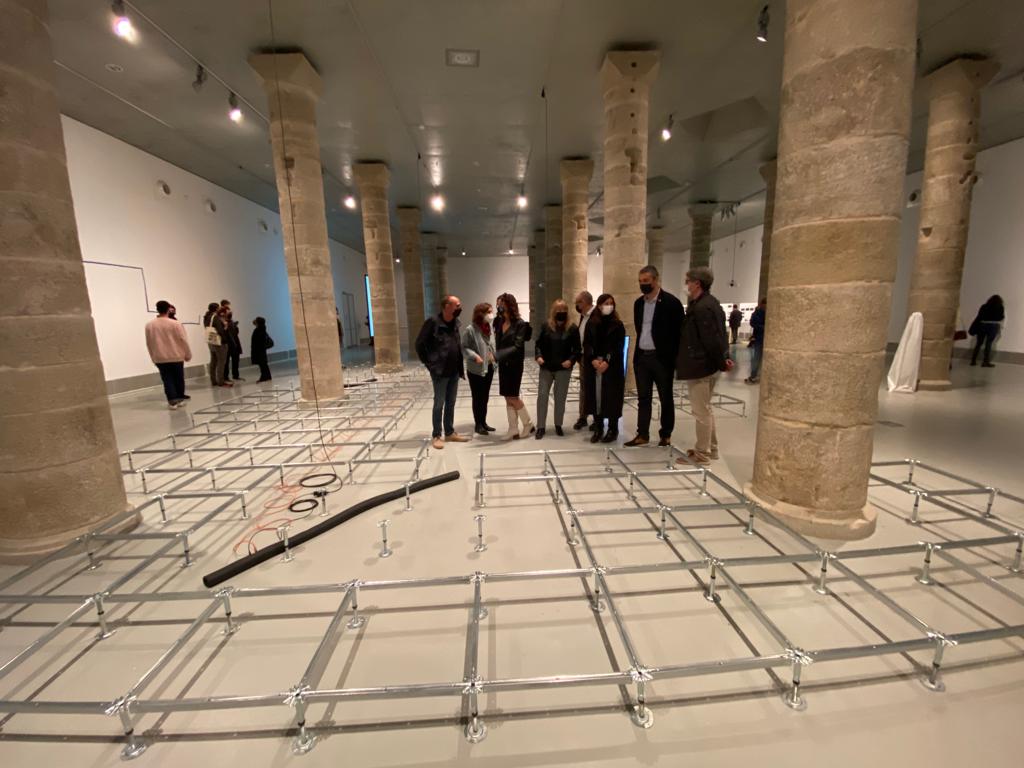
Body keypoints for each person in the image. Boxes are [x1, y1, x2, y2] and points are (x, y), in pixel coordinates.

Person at [676, 267, 733, 465]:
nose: (686, 285)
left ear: (697, 283)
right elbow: (720, 335)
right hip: (707, 364)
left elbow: (711, 340)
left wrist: (721, 361)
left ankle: (702, 454)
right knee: (706, 409)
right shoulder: (710, 303)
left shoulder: (702, 307)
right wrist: (724, 359)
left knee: (701, 412)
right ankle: (711, 448)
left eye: (688, 281)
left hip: (701, 365)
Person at [626, 265, 684, 447]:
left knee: (666, 397)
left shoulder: (671, 303)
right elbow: (640, 329)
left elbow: (679, 333)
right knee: (643, 398)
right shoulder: (638, 303)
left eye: (646, 281)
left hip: (662, 359)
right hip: (642, 357)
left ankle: (665, 434)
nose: (643, 284)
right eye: (640, 281)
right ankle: (642, 434)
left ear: (656, 280)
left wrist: (674, 359)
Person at [415, 295, 469, 449]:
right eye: (457, 305)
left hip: (454, 370)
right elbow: (419, 344)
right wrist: (429, 364)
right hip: (440, 371)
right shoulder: (433, 322)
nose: (460, 308)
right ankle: (437, 435)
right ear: (447, 306)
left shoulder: (456, 323)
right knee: (439, 403)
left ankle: (450, 432)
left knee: (451, 402)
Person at [534, 299, 581, 439]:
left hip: (563, 368)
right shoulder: (546, 326)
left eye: (564, 310)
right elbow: (538, 345)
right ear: (553, 311)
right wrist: (538, 356)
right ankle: (541, 426)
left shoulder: (572, 328)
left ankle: (558, 425)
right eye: (558, 310)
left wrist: (571, 361)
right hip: (546, 367)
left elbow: (577, 349)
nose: (561, 313)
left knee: (560, 398)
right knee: (542, 396)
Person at [584, 293, 626, 444]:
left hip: (612, 366)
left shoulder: (618, 325)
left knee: (612, 397)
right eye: (606, 303)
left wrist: (607, 361)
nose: (609, 306)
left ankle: (613, 429)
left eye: (611, 303)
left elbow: (618, 346)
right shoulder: (591, 323)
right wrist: (593, 359)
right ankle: (598, 427)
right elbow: (587, 343)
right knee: (596, 397)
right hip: (595, 364)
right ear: (599, 305)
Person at [494, 293, 535, 440]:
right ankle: (513, 428)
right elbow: (498, 342)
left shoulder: (520, 324)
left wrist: (498, 355)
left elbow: (517, 346)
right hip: (503, 364)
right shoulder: (498, 322)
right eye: (498, 303)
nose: (498, 306)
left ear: (509, 305)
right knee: (507, 397)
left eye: (501, 304)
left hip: (514, 365)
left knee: (513, 397)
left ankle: (528, 424)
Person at [145, 300, 192, 409]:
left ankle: (172, 401)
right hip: (176, 356)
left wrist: (153, 356)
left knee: (167, 379)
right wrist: (188, 353)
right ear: (168, 309)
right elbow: (183, 340)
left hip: (160, 357)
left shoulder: (149, 325)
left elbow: (149, 343)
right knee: (178, 378)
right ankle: (179, 398)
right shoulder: (175, 324)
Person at [462, 302, 498, 435]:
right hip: (476, 369)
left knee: (485, 396)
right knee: (477, 397)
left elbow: (491, 344)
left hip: (489, 367)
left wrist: (493, 355)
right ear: (480, 314)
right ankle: (478, 424)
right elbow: (464, 347)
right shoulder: (470, 329)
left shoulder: (489, 328)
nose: (491, 314)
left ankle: (484, 422)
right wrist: (474, 356)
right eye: (489, 312)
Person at [573, 291, 596, 431]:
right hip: (583, 357)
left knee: (594, 388)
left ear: (585, 302)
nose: (577, 305)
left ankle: (596, 418)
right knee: (584, 388)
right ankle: (583, 416)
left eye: (578, 302)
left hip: (593, 358)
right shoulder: (583, 316)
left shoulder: (596, 316)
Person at [969, 295, 1005, 367]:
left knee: (979, 343)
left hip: (982, 325)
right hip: (993, 326)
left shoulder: (984, 306)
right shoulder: (1000, 307)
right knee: (988, 344)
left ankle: (973, 361)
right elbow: (1000, 317)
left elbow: (979, 316)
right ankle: (985, 362)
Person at [203, 302, 231, 387]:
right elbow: (220, 330)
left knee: (213, 361)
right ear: (216, 309)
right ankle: (221, 381)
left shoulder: (206, 317)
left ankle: (213, 380)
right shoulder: (215, 317)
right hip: (219, 342)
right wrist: (225, 327)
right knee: (221, 362)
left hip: (211, 341)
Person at [745, 297, 766, 384]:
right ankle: (753, 376)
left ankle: (755, 376)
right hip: (759, 338)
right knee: (756, 357)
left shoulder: (757, 312)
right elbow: (752, 323)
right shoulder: (757, 312)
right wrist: (763, 327)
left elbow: (752, 322)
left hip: (760, 337)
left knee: (757, 357)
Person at [251, 317, 274, 382]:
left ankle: (264, 377)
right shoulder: (262, 329)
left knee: (262, 364)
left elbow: (257, 342)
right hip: (262, 350)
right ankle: (268, 376)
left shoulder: (258, 330)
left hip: (259, 351)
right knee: (264, 364)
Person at [223, 311, 244, 382]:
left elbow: (236, 333)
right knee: (226, 362)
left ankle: (235, 375)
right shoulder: (224, 323)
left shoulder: (232, 323)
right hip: (228, 344)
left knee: (235, 360)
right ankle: (226, 377)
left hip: (234, 344)